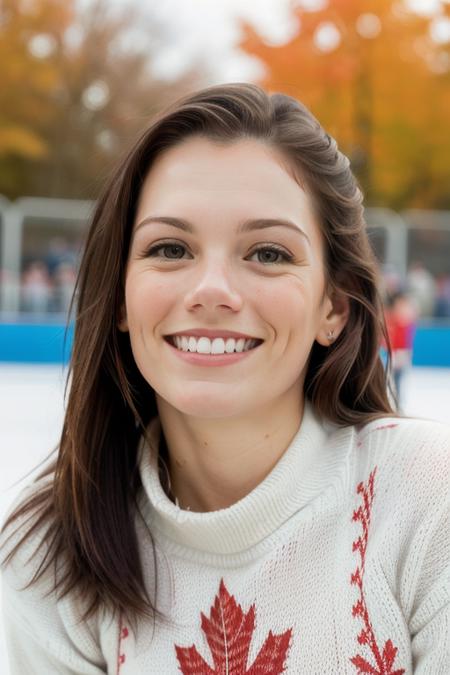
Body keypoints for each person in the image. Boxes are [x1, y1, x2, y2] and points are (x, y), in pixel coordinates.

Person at [1, 83, 449, 674]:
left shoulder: (427, 501)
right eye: (170, 248)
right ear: (119, 299)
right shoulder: (50, 555)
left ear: (333, 307)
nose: (212, 289)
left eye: (267, 253)